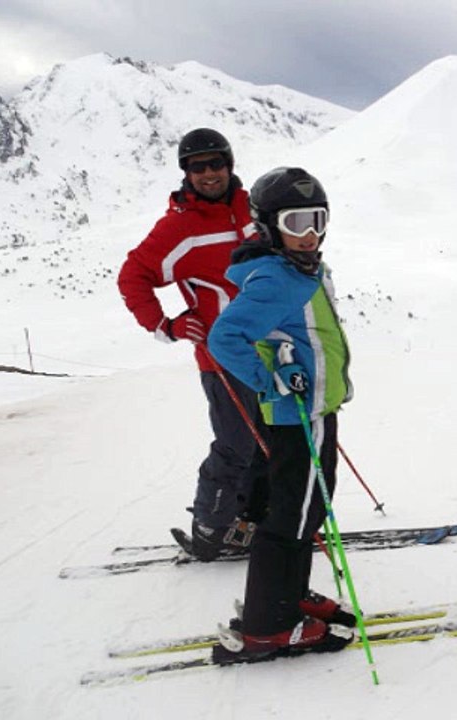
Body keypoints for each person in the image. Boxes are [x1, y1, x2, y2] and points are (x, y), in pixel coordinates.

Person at [207, 166, 355, 658]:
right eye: (297, 222)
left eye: (317, 219)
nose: (310, 233)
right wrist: (269, 379)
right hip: (297, 416)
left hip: (316, 410)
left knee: (308, 509)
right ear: (271, 226)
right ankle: (268, 624)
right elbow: (224, 338)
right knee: (292, 516)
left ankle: (286, 598)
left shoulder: (302, 269)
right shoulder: (275, 279)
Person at [117, 128, 267, 561]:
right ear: (186, 173)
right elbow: (133, 276)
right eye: (197, 167)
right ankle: (209, 527)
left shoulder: (254, 208)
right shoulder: (179, 228)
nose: (207, 173)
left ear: (229, 164)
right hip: (222, 356)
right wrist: (167, 325)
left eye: (215, 163)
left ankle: (250, 520)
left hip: (271, 348)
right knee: (236, 443)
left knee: (271, 440)